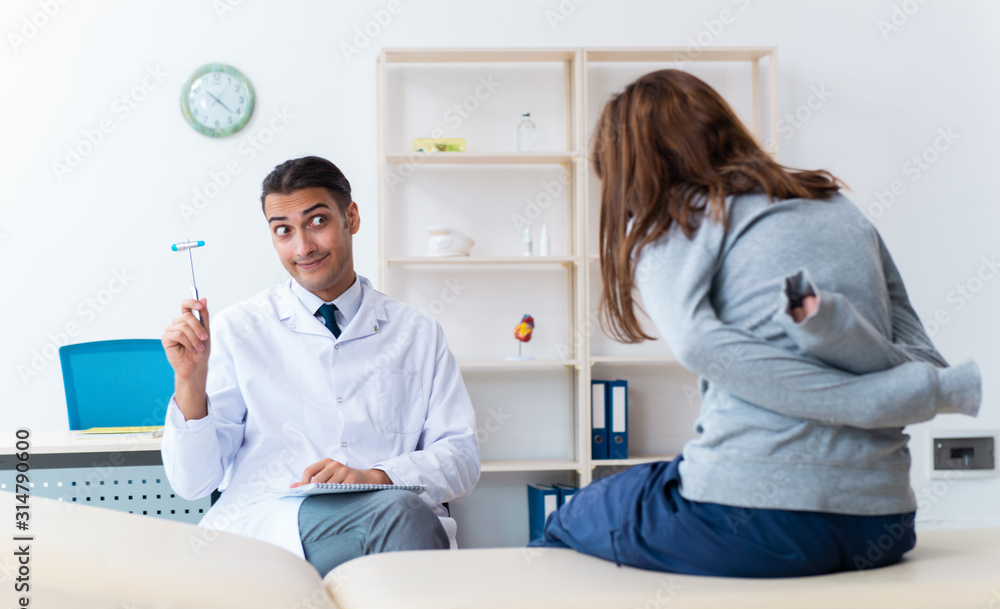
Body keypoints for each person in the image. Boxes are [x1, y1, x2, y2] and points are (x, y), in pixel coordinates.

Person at [529, 70, 982, 577]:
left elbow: (699, 346)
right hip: (884, 524)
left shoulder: (671, 214)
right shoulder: (838, 206)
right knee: (661, 479)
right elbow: (925, 360)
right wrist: (902, 391)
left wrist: (854, 398)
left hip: (750, 524)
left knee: (569, 518)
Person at [161, 156, 480, 576]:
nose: (303, 247)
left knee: (400, 515)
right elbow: (193, 483)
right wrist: (189, 381)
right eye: (283, 231)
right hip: (275, 522)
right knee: (402, 524)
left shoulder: (416, 331)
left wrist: (375, 476)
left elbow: (460, 457)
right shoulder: (239, 329)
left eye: (316, 221)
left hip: (399, 516)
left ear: (352, 217)